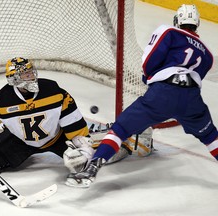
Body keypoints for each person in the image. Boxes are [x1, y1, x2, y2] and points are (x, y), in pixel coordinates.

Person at [66, 4, 218, 188]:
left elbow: (149, 60)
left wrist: (148, 77)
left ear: (177, 21)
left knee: (120, 129)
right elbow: (196, 78)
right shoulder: (208, 54)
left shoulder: (169, 31)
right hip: (192, 100)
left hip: (162, 94)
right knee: (211, 137)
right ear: (197, 24)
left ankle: (91, 169)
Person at [0, 57, 153, 179]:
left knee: (84, 161)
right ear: (14, 80)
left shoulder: (53, 91)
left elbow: (74, 125)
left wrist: (83, 148)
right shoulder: (3, 99)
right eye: (26, 75)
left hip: (58, 137)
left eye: (31, 73)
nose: (32, 78)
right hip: (21, 141)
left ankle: (132, 138)